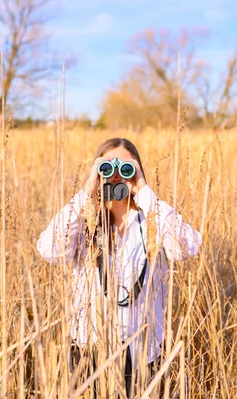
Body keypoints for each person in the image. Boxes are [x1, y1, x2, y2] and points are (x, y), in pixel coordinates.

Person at [36, 137, 202, 397]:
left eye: (125, 167)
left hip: (143, 352)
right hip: (89, 350)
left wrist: (144, 191)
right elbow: (49, 250)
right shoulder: (85, 223)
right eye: (107, 168)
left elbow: (186, 247)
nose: (116, 176)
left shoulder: (151, 220)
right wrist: (87, 191)